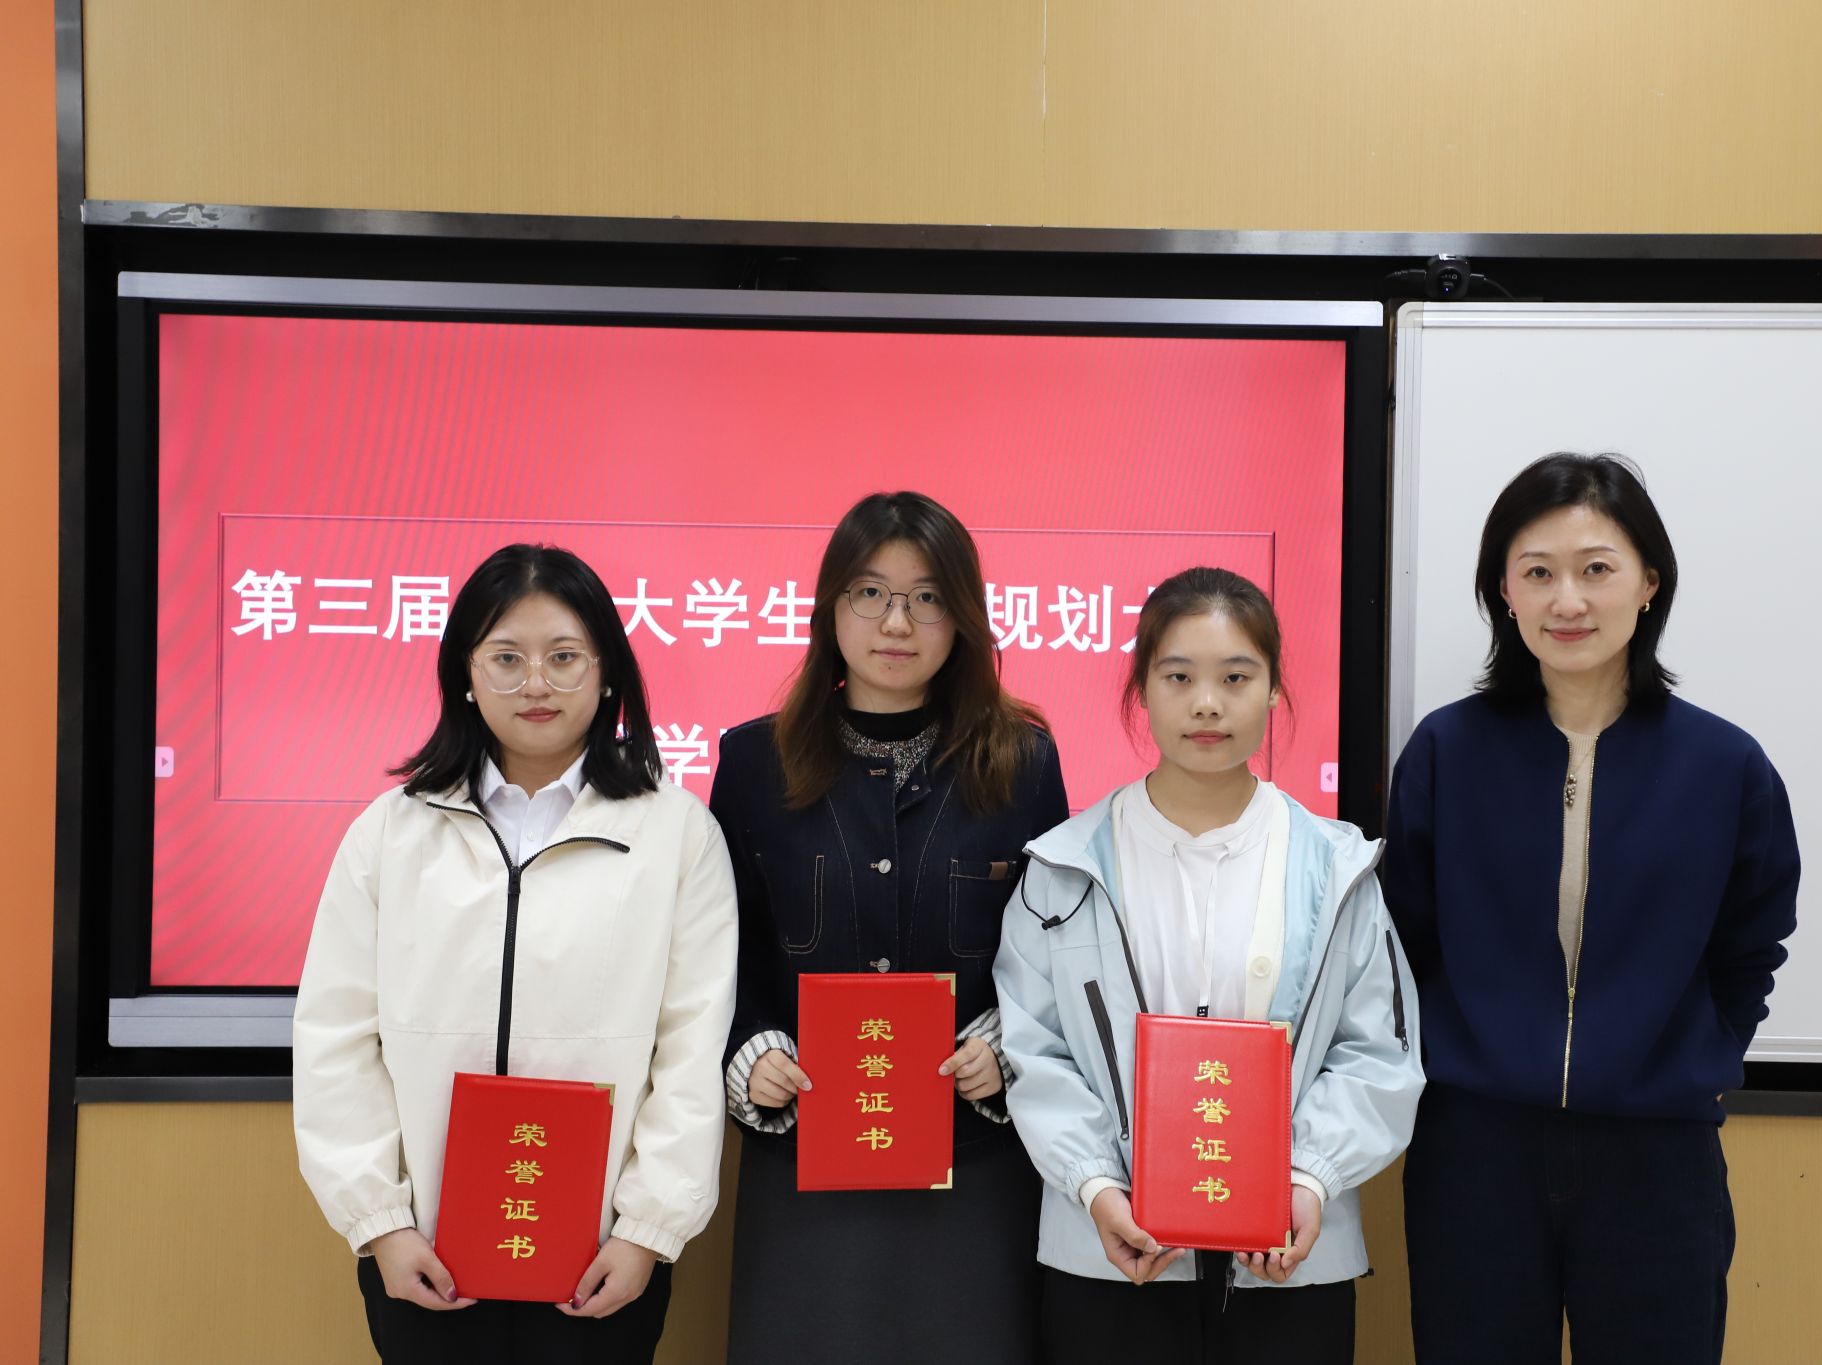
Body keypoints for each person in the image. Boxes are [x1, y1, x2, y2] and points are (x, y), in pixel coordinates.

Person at [1382, 453, 1800, 1365]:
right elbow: (1401, 936)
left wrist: (1694, 1052)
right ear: (1504, 591)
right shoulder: (1448, 750)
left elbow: (1753, 940)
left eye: (1596, 568)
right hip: (1474, 1146)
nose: (1567, 599)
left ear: (1649, 583)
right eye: (1538, 572)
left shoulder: (1724, 766)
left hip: (1656, 1150)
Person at [292, 543, 738, 1364]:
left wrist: (647, 1229)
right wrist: (380, 1222)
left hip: (601, 1257)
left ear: (607, 671)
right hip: (424, 1250)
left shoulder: (677, 833)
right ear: (466, 673)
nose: (536, 683)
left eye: (564, 657)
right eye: (506, 658)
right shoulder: (391, 831)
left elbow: (690, 1045)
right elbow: (336, 1035)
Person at [995, 566, 1424, 1365]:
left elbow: (1379, 1054)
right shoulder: (1061, 869)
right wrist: (1097, 1185)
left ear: (1274, 690)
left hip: (1288, 1255)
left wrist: (1308, 1179)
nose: (1206, 704)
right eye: (1178, 676)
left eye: (1235, 677)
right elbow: (1033, 1050)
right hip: (1111, 1253)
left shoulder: (1338, 868)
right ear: (1141, 690)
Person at [712, 491, 1069, 1364]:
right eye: (870, 593)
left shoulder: (1022, 759)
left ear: (963, 616)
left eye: (927, 597)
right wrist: (751, 1049)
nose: (896, 622)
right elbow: (720, 949)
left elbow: (1057, 946)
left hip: (972, 1155)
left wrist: (1007, 1039)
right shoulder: (754, 761)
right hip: (805, 1151)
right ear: (830, 607)